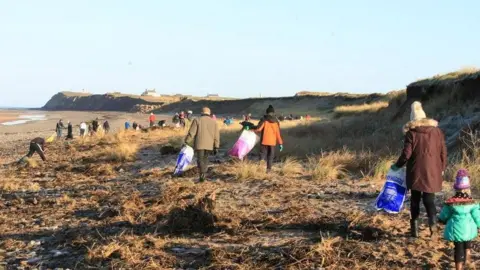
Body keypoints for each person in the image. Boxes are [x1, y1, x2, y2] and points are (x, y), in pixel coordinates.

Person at [391, 101, 447, 237]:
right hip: (433, 171)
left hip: (415, 171)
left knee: (415, 200)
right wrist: (442, 167)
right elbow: (443, 151)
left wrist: (397, 165)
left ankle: (414, 231)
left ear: (412, 120)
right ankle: (433, 227)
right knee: (429, 200)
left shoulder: (411, 133)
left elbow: (406, 154)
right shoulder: (437, 132)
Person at [438, 169, 480, 270]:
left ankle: (459, 267)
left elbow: (444, 215)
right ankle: (468, 259)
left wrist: (441, 220)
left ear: (456, 189)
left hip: (456, 230)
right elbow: (477, 216)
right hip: (469, 229)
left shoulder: (450, 203)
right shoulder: (472, 203)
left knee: (458, 249)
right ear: (468, 189)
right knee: (467, 243)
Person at [185, 107, 220, 182]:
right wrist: (216, 146)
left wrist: (187, 141)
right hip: (209, 145)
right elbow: (216, 136)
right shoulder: (214, 122)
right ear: (209, 113)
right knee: (205, 159)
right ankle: (203, 173)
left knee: (200, 159)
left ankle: (202, 174)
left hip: (199, 144)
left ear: (201, 113)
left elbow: (192, 133)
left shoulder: (197, 120)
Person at [254, 105, 284, 173]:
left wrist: (250, 129)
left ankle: (260, 168)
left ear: (267, 112)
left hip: (264, 141)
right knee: (270, 156)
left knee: (262, 155)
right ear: (273, 113)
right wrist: (280, 143)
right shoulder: (276, 122)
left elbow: (258, 129)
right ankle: (268, 170)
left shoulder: (264, 119)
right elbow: (278, 134)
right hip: (272, 143)